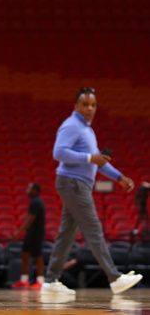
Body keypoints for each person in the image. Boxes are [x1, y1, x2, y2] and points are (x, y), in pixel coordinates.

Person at [43, 87, 143, 295]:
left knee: (66, 235)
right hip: (73, 183)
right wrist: (89, 158)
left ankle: (50, 282)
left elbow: (99, 161)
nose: (90, 108)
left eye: (93, 105)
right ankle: (114, 278)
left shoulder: (87, 130)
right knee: (94, 229)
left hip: (77, 184)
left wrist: (119, 177)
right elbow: (58, 152)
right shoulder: (71, 125)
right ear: (76, 106)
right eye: (85, 104)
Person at [12, 183, 45, 289]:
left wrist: (19, 231)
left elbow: (30, 219)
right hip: (31, 233)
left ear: (35, 190)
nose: (27, 190)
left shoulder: (36, 202)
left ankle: (40, 281)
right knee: (24, 254)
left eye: (29, 188)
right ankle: (24, 280)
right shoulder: (34, 202)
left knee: (37, 256)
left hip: (36, 234)